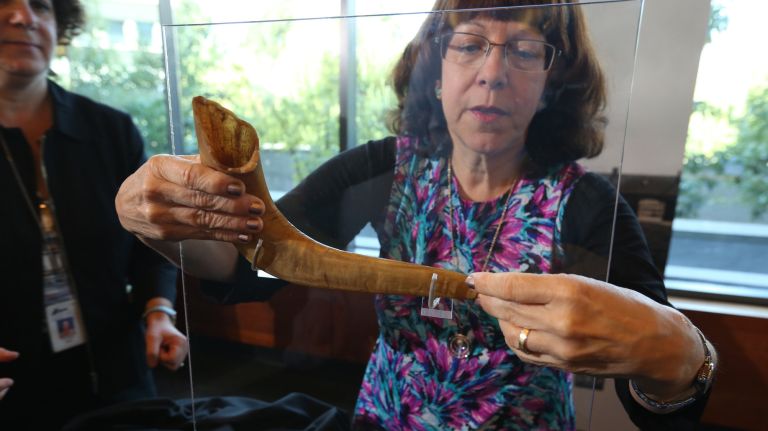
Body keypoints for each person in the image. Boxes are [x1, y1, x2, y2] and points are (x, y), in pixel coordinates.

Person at [114, 0, 716, 430]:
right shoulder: (378, 169)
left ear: (552, 82)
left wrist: (679, 354)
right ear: (435, 71)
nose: (493, 71)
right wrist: (168, 226)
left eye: (525, 50)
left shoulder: (587, 205)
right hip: (384, 419)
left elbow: (659, 395)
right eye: (470, 43)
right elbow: (254, 266)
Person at [0, 0, 189, 429]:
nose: (23, 16)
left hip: (119, 379)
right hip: (12, 389)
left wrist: (160, 313)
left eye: (41, 6)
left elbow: (151, 243)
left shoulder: (112, 130)